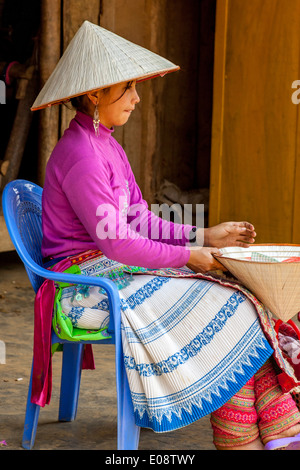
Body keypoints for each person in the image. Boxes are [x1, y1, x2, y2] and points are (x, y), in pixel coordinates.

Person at [31, 21, 300, 450]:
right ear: (94, 94)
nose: (137, 98)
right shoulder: (81, 155)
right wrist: (190, 256)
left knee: (245, 297)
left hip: (109, 268)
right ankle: (245, 435)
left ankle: (277, 431)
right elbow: (118, 241)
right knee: (229, 303)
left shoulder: (106, 145)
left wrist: (204, 235)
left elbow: (139, 217)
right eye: (127, 88)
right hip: (82, 287)